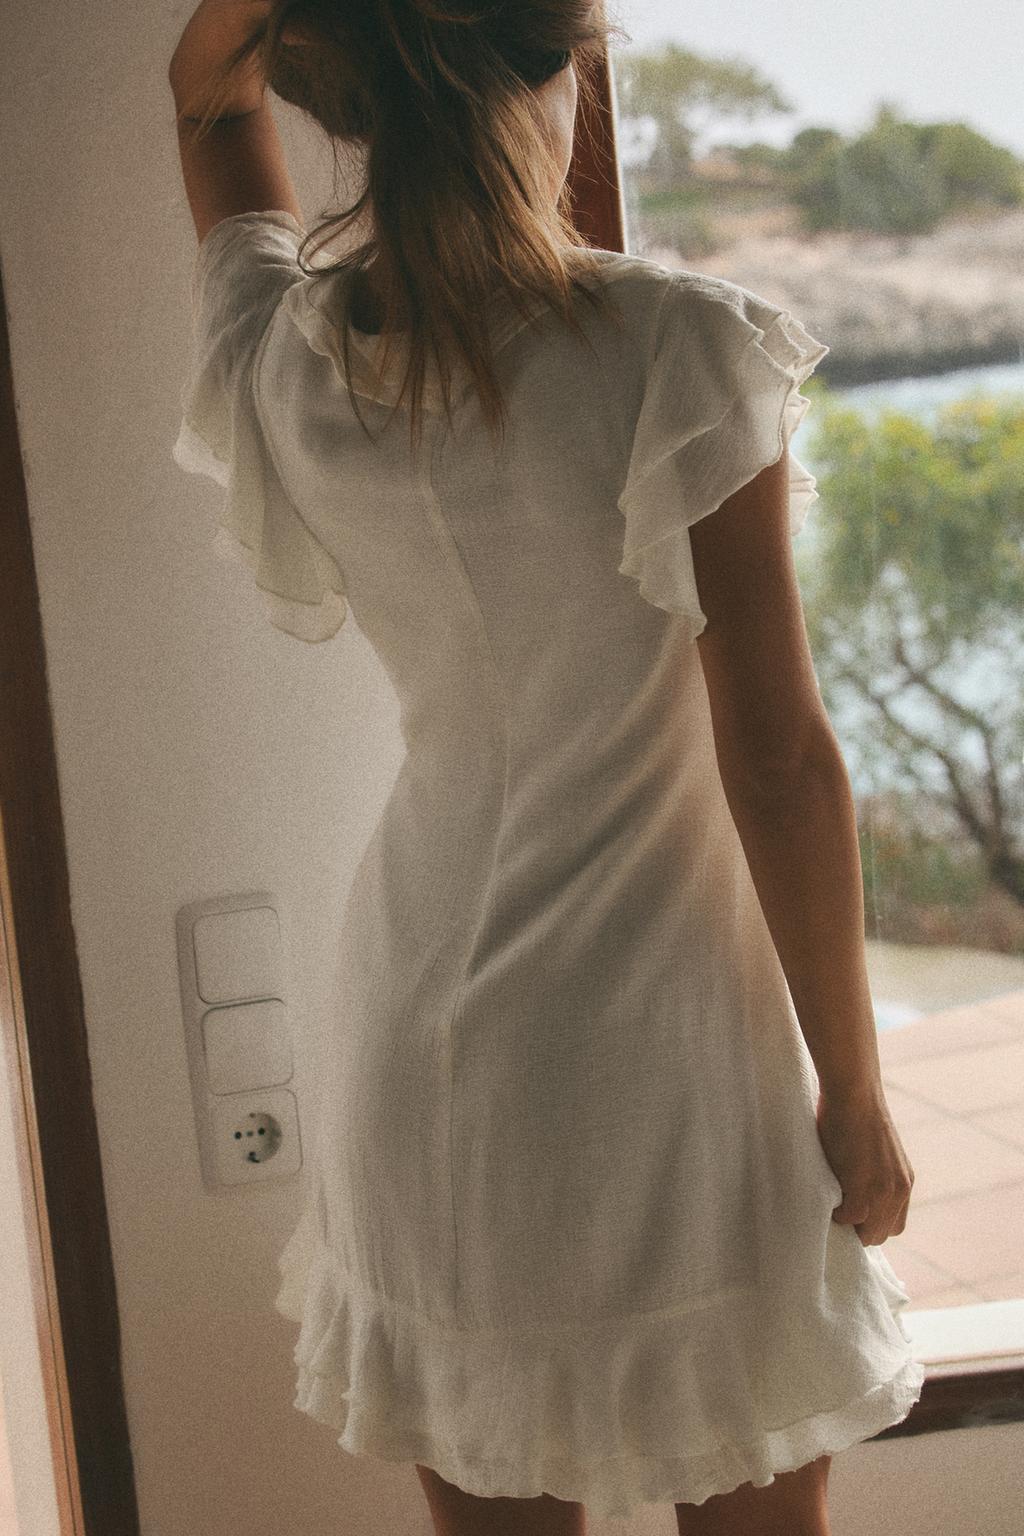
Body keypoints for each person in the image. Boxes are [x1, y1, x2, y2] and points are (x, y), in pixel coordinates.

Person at [168, 2, 925, 1532]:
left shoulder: (284, 352)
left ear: (346, 97)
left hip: (419, 1059)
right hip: (666, 1055)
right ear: (552, 78)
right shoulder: (677, 349)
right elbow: (779, 760)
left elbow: (203, 96)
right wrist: (853, 1087)